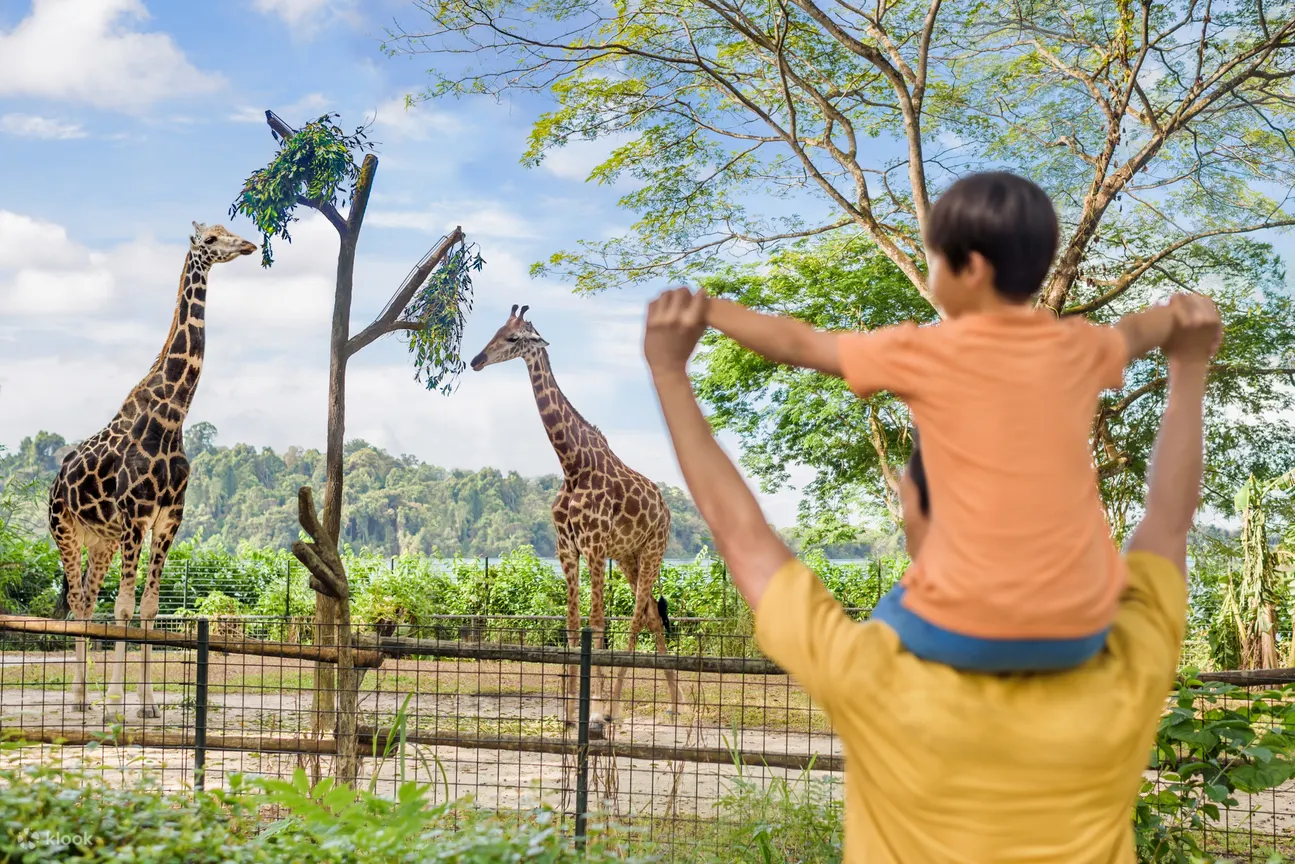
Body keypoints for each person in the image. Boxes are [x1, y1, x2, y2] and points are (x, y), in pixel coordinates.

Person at [643, 283, 1220, 861]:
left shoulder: (873, 674)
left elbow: (741, 536)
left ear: (914, 509)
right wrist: (1189, 366)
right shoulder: (1125, 660)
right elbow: (1168, 521)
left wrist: (670, 373)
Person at [703, 172, 1188, 672]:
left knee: (880, 627)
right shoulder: (1080, 347)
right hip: (1080, 628)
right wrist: (1176, 314)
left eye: (934, 260)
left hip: (965, 630)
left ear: (971, 269)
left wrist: (711, 310)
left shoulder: (927, 350)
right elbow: (1136, 331)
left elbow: (800, 345)